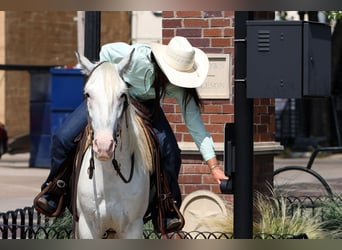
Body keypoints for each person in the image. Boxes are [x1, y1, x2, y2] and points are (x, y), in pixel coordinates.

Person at [35, 36, 229, 230]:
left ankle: (167, 205)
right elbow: (106, 51)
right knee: (63, 137)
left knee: (171, 153)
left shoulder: (180, 88)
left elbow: (195, 125)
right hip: (116, 98)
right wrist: (113, 78)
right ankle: (54, 188)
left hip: (147, 108)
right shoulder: (138, 57)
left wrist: (213, 166)